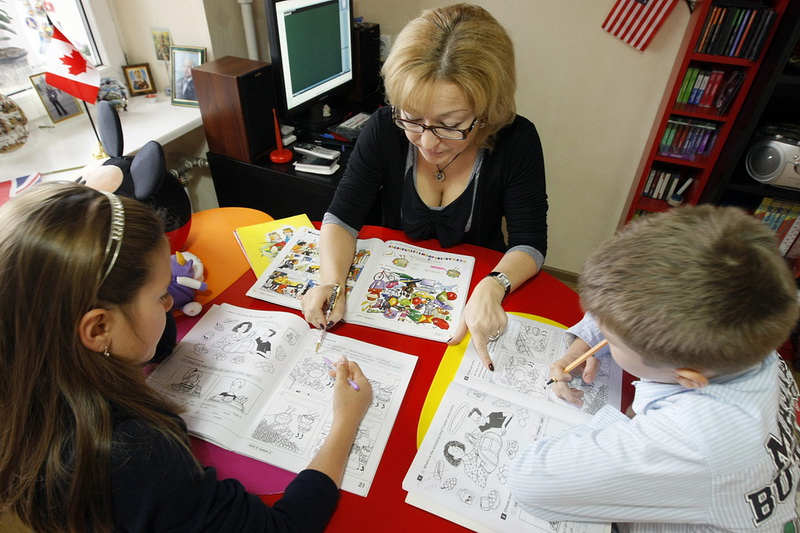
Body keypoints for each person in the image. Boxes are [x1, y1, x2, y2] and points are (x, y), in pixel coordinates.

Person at [0, 182, 372, 532]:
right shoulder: (135, 453)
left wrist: (149, 297)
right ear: (98, 329)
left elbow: (151, 342)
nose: (169, 304)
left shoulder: (29, 362)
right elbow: (283, 527)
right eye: (160, 295)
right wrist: (346, 420)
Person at [509, 205, 800, 531]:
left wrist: (617, 425)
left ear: (687, 377)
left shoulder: (687, 438)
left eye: (612, 341)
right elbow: (628, 304)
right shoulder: (748, 329)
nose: (603, 334)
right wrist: (584, 345)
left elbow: (531, 484)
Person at [301, 4, 547, 370]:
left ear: (486, 111)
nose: (427, 142)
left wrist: (495, 284)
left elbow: (530, 243)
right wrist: (332, 283)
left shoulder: (517, 140)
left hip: (475, 300)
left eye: (451, 124)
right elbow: (342, 217)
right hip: (387, 301)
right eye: (413, 119)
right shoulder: (384, 128)